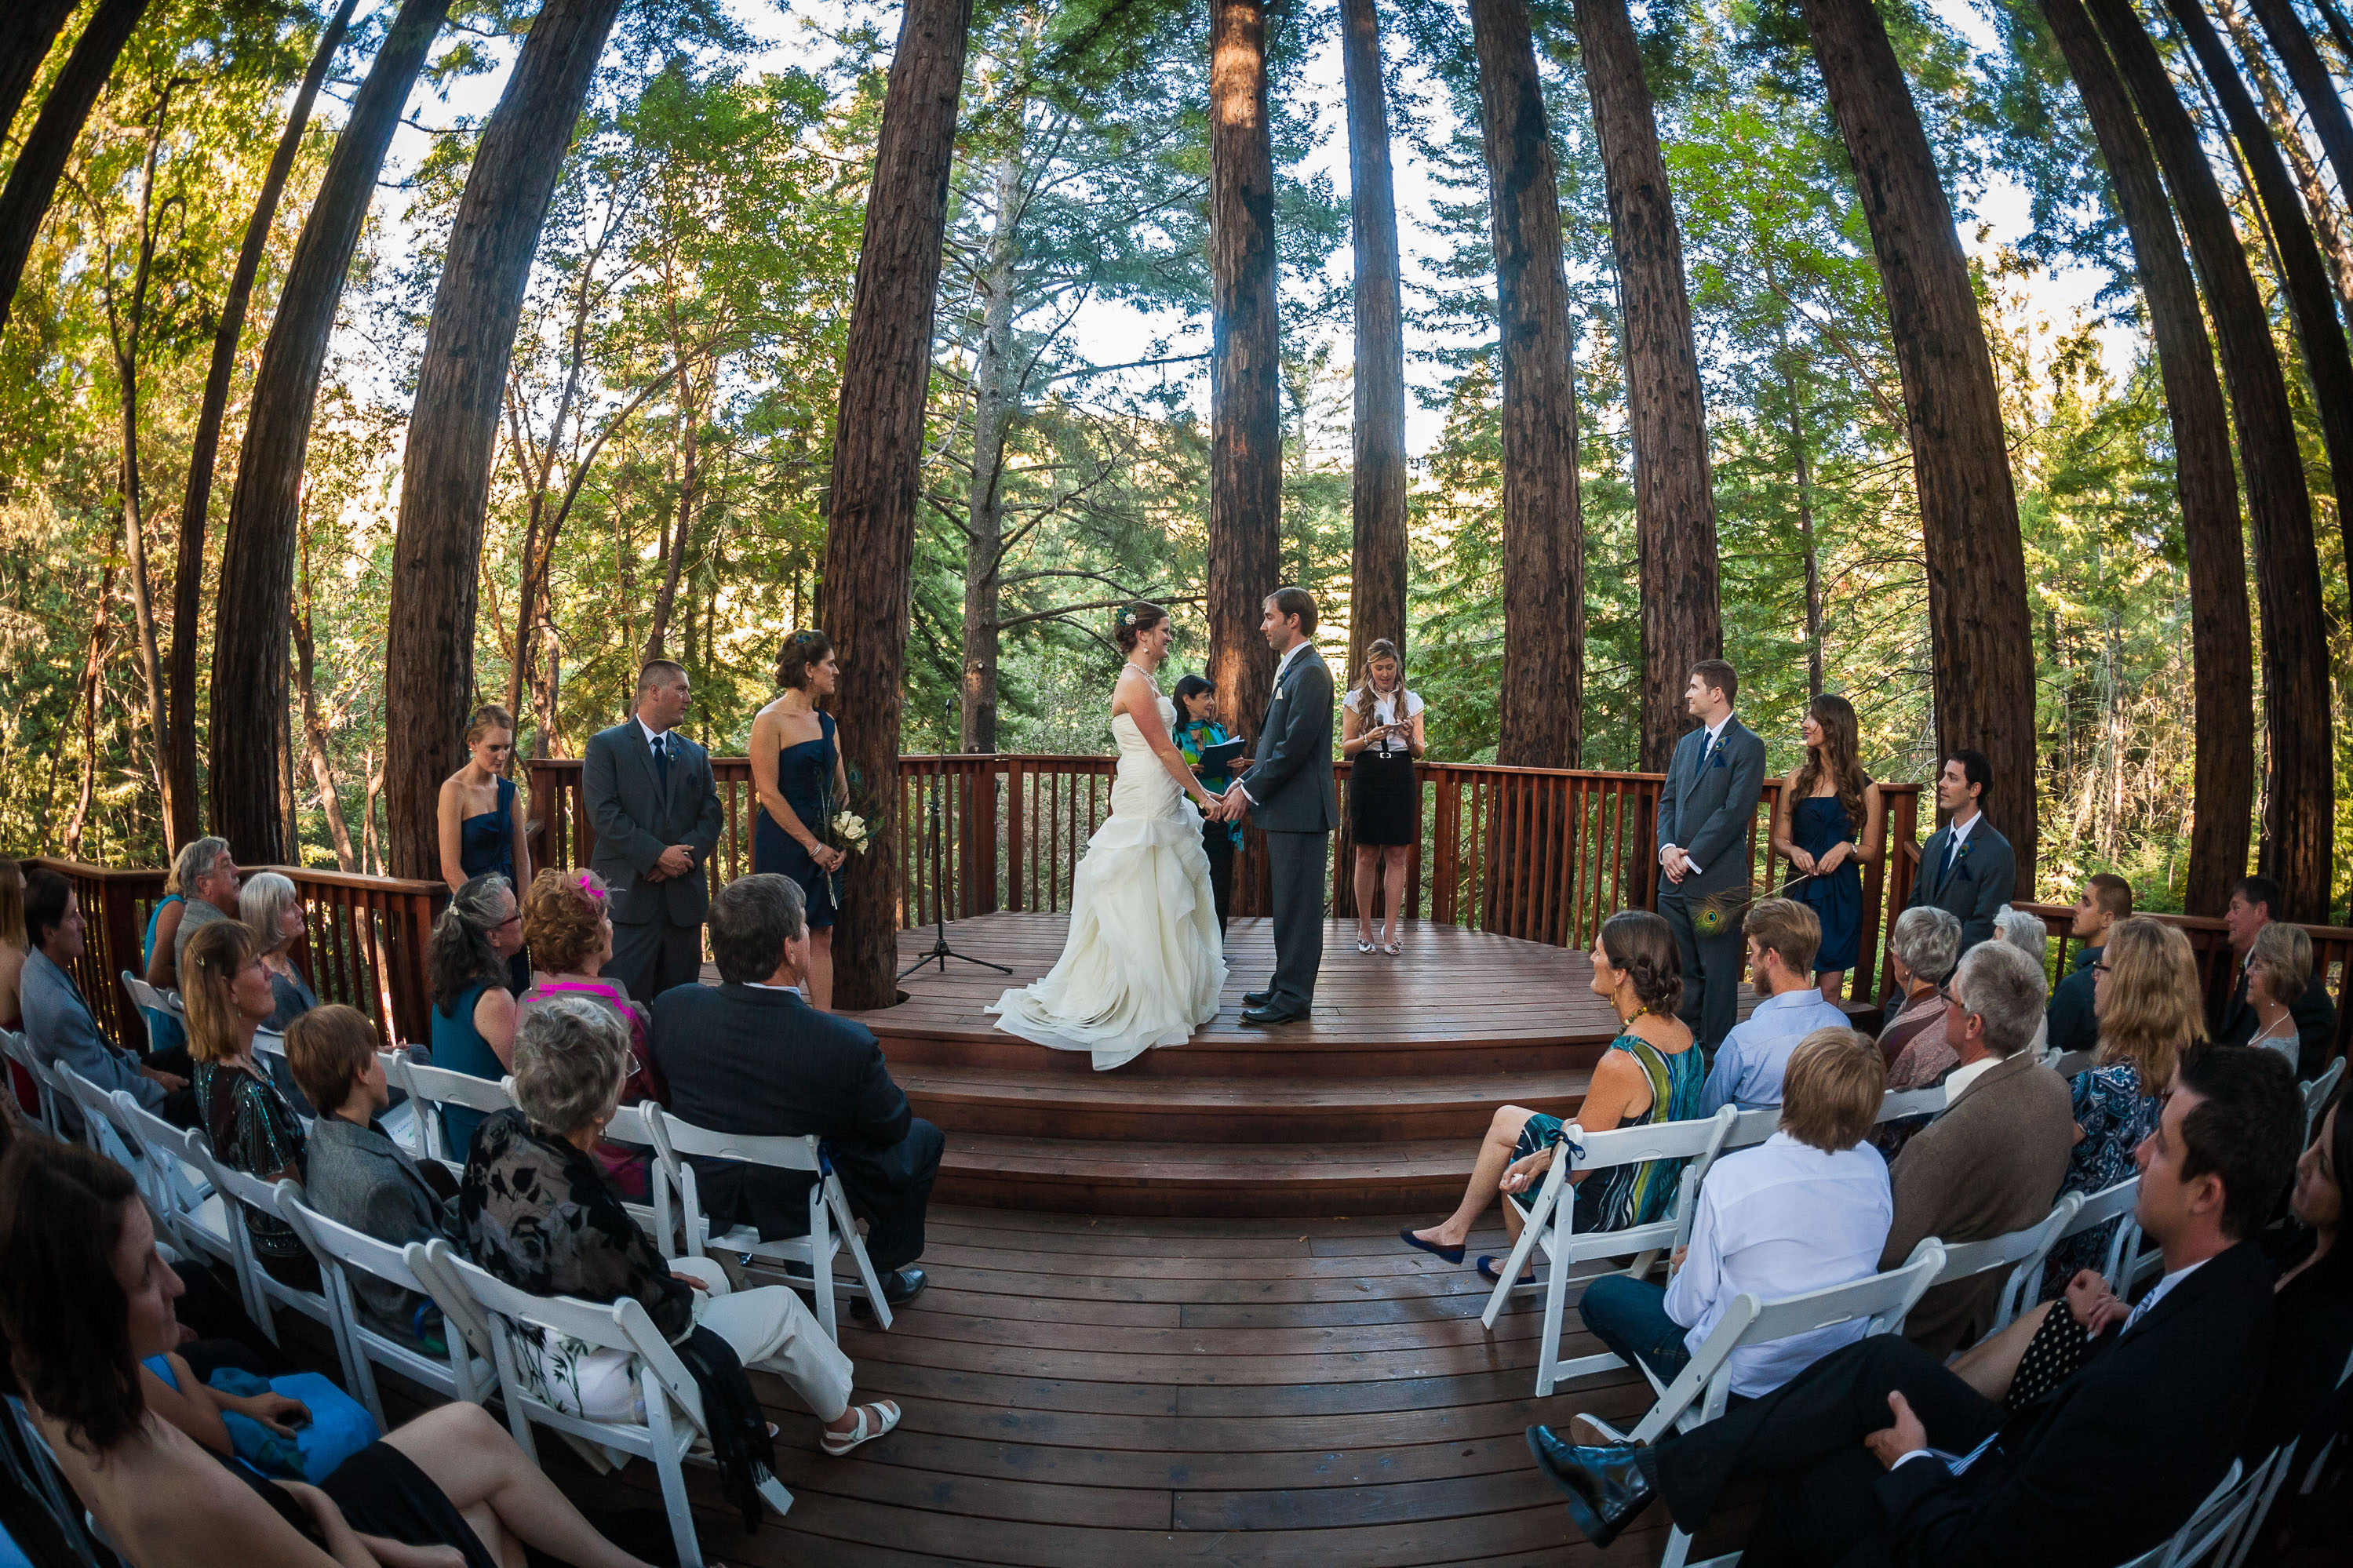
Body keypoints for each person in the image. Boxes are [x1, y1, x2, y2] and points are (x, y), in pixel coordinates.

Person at [1526, 1046, 2303, 1567]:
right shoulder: (2226, 1295)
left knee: (1821, 1472)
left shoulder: (2153, 1389)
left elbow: (1987, 1548)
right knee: (1878, 1365)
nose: (2139, 1152)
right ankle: (1639, 1471)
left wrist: (1916, 1461)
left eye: (2160, 1145)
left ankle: (1643, 1472)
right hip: (2025, 1459)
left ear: (2207, 1194)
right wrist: (2122, 1323)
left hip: (1981, 1510)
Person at [0, 1134, 665, 1568]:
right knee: (485, 1527)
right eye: (146, 1273)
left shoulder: (59, 1387)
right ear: (87, 1316)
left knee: (468, 1426)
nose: (176, 1282)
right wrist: (333, 1514)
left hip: (287, 1518)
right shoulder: (189, 1498)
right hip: (308, 1533)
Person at [461, 996, 899, 1457]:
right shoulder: (588, 1215)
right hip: (603, 1382)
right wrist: (670, 1290)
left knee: (709, 1275)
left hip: (530, 1350)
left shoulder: (495, 1135)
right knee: (783, 1310)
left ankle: (712, 1419)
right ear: (600, 1111)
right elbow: (667, 1320)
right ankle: (843, 1424)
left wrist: (659, 1278)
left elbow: (609, 1270)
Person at [654, 874, 941, 1312]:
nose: (809, 935)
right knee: (921, 1137)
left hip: (708, 1193)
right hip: (799, 1203)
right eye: (805, 927)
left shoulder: (674, 1009)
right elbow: (893, 1123)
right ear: (790, 948)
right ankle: (879, 1276)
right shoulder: (843, 1043)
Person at [1578, 1028, 1893, 1395]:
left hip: (1737, 1379)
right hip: (1830, 1368)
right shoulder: (1874, 1167)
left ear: (1790, 1091)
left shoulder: (1734, 1176)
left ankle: (1681, 1406)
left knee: (1602, 1296)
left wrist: (1687, 1269)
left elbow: (1685, 1312)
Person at [1401, 911, 1703, 1275]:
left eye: (1598, 952)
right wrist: (1549, 1151)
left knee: (1515, 1145)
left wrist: (1535, 1159)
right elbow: (1613, 1126)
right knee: (1508, 1119)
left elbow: (1576, 1166)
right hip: (1658, 1194)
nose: (1591, 959)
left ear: (1621, 974)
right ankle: (1459, 1233)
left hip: (1614, 1208)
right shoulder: (1685, 1038)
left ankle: (1514, 1266)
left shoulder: (1623, 1062)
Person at [992, 602, 1228, 1067]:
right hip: (1144, 797)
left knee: (1167, 889)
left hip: (1160, 795)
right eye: (1163, 630)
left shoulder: (1151, 681)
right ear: (1142, 635)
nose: (1168, 637)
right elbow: (1162, 748)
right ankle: (1135, 992)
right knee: (1139, 885)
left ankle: (1170, 990)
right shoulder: (1132, 683)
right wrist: (1202, 796)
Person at [1879, 940, 2073, 1355]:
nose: (1942, 1004)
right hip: (1993, 1311)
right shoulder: (2057, 1092)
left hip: (1920, 1329)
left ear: (1973, 1026)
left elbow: (1882, 1263)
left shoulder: (1939, 1145)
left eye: (1948, 997)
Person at [2038, 916, 2196, 1298]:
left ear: (2127, 987)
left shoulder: (2100, 1087)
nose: (2094, 976)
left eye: (2102, 967)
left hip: (2051, 1273)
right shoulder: (2161, 1075)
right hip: (2104, 1261)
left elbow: (2024, 1173)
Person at [288, 1006, 460, 1343]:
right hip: (433, 1324)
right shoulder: (378, 1188)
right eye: (376, 1056)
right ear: (361, 1073)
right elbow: (444, 1275)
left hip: (385, 1289)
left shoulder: (325, 1131)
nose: (382, 1064)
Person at [1209, 587, 1340, 1026]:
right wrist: (1245, 779)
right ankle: (1284, 983)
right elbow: (1272, 749)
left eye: (1269, 617)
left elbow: (1294, 748)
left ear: (1293, 621)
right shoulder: (1293, 670)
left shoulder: (1312, 673)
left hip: (1302, 813)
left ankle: (1294, 998)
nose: (1263, 626)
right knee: (1287, 903)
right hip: (1287, 810)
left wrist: (1247, 791)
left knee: (1300, 908)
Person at [184, 919, 319, 1291]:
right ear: (228, 988)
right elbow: (296, 1208)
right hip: (303, 1254)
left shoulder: (215, 1064)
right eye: (257, 964)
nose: (269, 973)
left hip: (272, 1239)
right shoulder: (248, 1093)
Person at [581, 660, 724, 1006]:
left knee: (680, 1005)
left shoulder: (695, 753)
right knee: (624, 1004)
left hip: (682, 904)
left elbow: (711, 813)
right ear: (654, 692)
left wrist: (682, 858)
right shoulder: (606, 746)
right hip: (629, 901)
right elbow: (604, 814)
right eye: (682, 689)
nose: (688, 698)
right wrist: (658, 855)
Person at [19, 869, 195, 1134]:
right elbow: (108, 1090)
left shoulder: (36, 968)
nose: (83, 924)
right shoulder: (58, 1010)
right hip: (123, 1124)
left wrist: (149, 1071)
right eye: (72, 916)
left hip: (111, 1092)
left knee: (194, 1051)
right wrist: (158, 1084)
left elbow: (102, 1058)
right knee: (212, 1102)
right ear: (49, 933)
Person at [1654, 660, 1768, 1051]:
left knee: (1718, 970)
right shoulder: (1687, 745)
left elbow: (1734, 811)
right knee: (1681, 967)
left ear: (1716, 693)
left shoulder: (1748, 746)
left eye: (1694, 686)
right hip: (1672, 880)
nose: (1688, 693)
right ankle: (1682, 1045)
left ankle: (1715, 1053)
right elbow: (1668, 802)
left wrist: (1691, 857)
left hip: (1716, 882)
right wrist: (1668, 851)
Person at [749, 630, 851, 1010]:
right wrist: (813, 845)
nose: (836, 671)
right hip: (785, 841)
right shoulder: (769, 719)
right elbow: (769, 793)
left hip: (827, 844)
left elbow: (841, 788)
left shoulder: (827, 724)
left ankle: (822, 1022)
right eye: (830, 664)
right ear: (809, 670)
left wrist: (841, 840)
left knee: (822, 933)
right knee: (781, 935)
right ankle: (778, 1019)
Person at [1771, 694, 1882, 1002]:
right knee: (1793, 982)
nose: (1805, 724)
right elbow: (1780, 839)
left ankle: (1822, 1050)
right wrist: (1793, 851)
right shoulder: (1795, 781)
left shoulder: (1866, 787)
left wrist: (1847, 847)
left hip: (1840, 895)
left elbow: (1871, 849)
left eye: (1813, 718)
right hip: (1800, 889)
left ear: (1834, 727)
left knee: (1829, 987)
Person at [1696, 898, 1849, 1114]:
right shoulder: (1842, 1026)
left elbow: (1707, 1119)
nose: (1750, 961)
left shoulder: (1744, 1041)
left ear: (1770, 957)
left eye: (1752, 950)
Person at [424, 875, 523, 1162]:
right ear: (493, 936)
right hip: (495, 1152)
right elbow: (531, 1084)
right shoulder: (494, 1001)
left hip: (462, 1142)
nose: (522, 918)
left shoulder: (449, 987)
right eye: (515, 913)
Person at [1340, 637, 1425, 956]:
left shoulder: (1412, 700)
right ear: (1370, 668)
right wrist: (1368, 737)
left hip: (1400, 774)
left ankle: (1390, 929)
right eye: (1379, 668)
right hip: (1368, 774)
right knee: (1366, 853)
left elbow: (1420, 749)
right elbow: (1346, 747)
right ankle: (1364, 926)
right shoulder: (1356, 698)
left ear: (1397, 666)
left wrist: (1406, 736)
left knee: (1397, 854)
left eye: (1390, 667)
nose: (1385, 674)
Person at [2215, 875, 2338, 1079]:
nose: (2228, 917)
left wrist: (2288, 1076)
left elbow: (2323, 1019)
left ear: (2260, 911)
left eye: (2236, 908)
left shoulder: (2285, 962)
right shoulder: (2254, 962)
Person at [1903, 750, 2014, 955]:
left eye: (1952, 778)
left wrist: (1940, 958)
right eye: (1944, 775)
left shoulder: (1997, 851)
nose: (1941, 783)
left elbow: (1985, 922)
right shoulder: (1934, 842)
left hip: (1959, 970)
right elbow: (1916, 901)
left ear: (1974, 790)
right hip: (1916, 961)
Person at [435, 704, 530, 897]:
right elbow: (451, 869)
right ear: (473, 744)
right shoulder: (453, 790)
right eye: (494, 748)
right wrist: (488, 914)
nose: (502, 756)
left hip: (508, 897)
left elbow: (522, 860)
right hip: (470, 900)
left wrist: (523, 911)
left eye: (507, 747)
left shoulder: (510, 793)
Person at [1172, 673, 1240, 935]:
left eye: (1211, 696)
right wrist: (1187, 770)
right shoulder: (1174, 735)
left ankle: (1217, 945)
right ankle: (1189, 944)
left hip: (1221, 812)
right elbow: (1166, 772)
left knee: (1219, 882)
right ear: (1187, 700)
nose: (1211, 702)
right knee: (1186, 881)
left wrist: (1236, 767)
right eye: (1205, 697)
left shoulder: (1218, 731)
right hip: (1188, 815)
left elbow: (1229, 775)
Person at [2045, 873, 2130, 1060]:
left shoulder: (2075, 988)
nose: (2075, 908)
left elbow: (2048, 1055)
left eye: (2086, 902)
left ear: (2107, 920)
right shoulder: (2133, 977)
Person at [1877, 906, 1960, 1090]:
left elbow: (1874, 1092)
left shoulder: (1898, 1034)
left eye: (1894, 945)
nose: (1892, 954)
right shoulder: (1956, 1009)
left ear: (1907, 964)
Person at [241, 872, 319, 1034]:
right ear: (270, 920)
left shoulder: (286, 964)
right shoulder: (276, 987)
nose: (300, 911)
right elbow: (305, 1052)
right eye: (290, 907)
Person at [158, 837, 244, 982]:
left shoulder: (192, 920)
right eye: (225, 865)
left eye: (232, 863)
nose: (236, 870)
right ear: (204, 884)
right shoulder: (215, 934)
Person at [2244, 921, 2321, 1075]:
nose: (2248, 972)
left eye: (2258, 966)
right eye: (2252, 963)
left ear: (2279, 977)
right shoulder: (2280, 1021)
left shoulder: (2267, 1058)